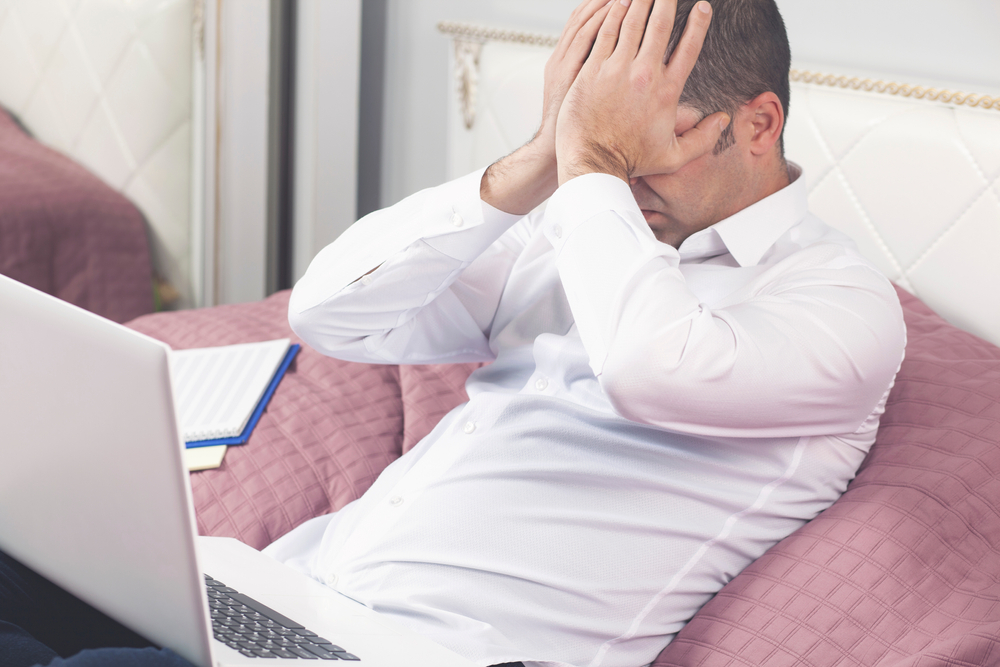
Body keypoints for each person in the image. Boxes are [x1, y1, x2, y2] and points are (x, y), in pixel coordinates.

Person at [0, 1, 905, 666]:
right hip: (282, 596)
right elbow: (331, 313)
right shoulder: (572, 219)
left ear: (759, 124)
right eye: (601, 152)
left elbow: (642, 365)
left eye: (644, 156)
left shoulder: (841, 306)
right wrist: (542, 154)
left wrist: (591, 166)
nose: (618, 186)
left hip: (425, 652)